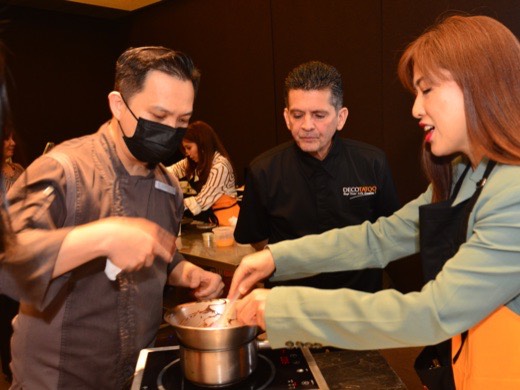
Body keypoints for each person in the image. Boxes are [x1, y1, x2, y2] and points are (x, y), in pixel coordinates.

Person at [229, 15, 520, 390]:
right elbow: (380, 238)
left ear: (479, 86)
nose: (416, 109)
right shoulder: (467, 174)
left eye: (427, 90)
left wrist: (284, 310)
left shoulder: (512, 192)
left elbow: (433, 312)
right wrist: (276, 258)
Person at [3, 46, 224, 389]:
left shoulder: (167, 186)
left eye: (181, 121)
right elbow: (7, 261)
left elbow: (162, 258)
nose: (171, 130)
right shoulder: (63, 170)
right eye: (159, 116)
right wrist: (102, 238)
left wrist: (187, 273)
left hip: (134, 373)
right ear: (118, 105)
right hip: (58, 379)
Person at [233, 61, 399, 292]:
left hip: (360, 300)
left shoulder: (371, 163)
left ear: (341, 117)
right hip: (291, 299)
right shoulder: (263, 170)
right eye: (298, 115)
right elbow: (256, 237)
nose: (307, 125)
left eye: (319, 115)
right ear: (286, 117)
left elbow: (390, 229)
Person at [166, 120, 239, 226]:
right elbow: (170, 171)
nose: (187, 153)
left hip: (229, 221)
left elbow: (202, 200)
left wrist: (171, 206)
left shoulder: (220, 166)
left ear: (202, 144)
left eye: (189, 148)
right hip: (212, 220)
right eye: (185, 148)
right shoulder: (194, 162)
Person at [0, 122, 24, 383]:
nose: (12, 143)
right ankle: (8, 368)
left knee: (20, 312)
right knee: (5, 313)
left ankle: (20, 360)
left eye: (13, 138)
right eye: (6, 139)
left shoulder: (18, 169)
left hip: (22, 251)